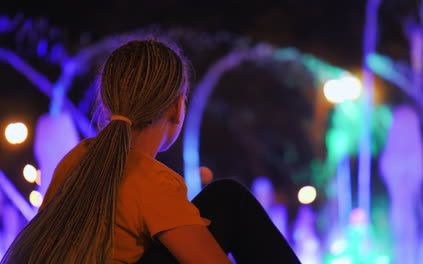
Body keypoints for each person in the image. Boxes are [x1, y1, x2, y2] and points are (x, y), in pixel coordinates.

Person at [1, 39, 301, 264]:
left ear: (107, 104)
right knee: (228, 199)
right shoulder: (152, 180)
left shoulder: (77, 158)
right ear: (176, 108)